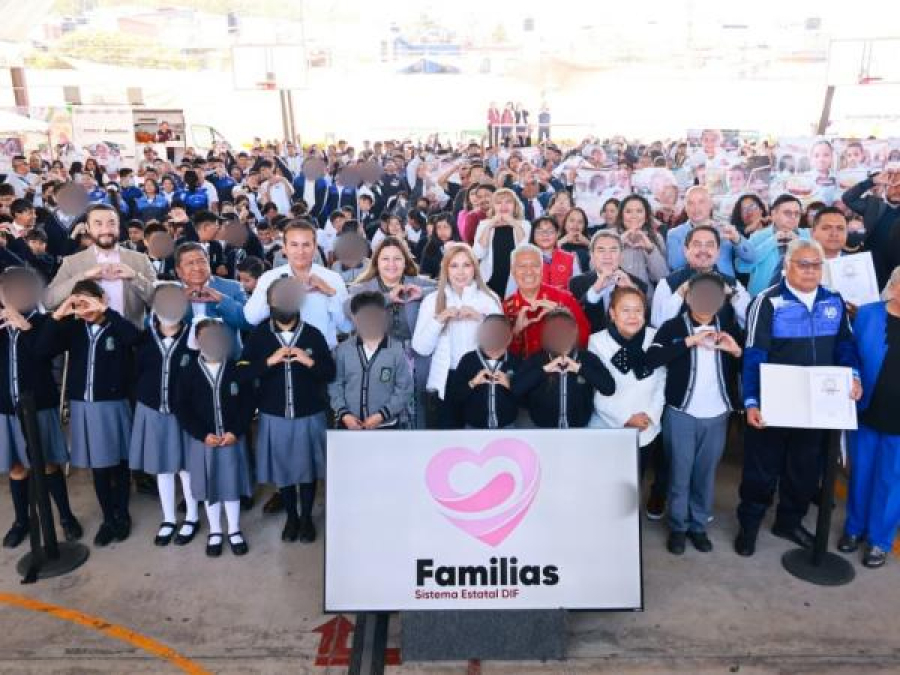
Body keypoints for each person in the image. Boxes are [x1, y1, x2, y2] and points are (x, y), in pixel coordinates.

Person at [735, 239, 862, 557]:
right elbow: (753, 354)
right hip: (773, 404)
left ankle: (788, 523)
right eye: (802, 264)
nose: (810, 271)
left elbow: (845, 346)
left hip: (818, 407)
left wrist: (854, 376)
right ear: (787, 265)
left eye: (816, 265)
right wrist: (751, 401)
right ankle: (749, 526)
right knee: (761, 472)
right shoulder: (766, 302)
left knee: (803, 471)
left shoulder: (834, 300)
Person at [37, 280, 140, 547]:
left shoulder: (115, 326)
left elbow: (136, 339)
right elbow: (42, 350)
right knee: (99, 467)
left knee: (118, 464)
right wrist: (58, 315)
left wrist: (106, 312)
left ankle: (122, 513)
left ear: (102, 298)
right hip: (83, 406)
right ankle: (108, 518)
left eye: (89, 301)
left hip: (114, 404)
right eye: (78, 302)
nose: (84, 308)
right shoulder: (73, 329)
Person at [646, 273, 744, 555]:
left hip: (717, 414)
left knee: (705, 473)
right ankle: (678, 527)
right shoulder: (672, 326)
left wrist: (736, 351)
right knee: (679, 472)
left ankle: (698, 525)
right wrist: (688, 341)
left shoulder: (729, 327)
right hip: (681, 414)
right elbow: (652, 359)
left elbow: (746, 362)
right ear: (688, 297)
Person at [242, 278, 335, 544]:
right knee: (283, 471)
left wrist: (309, 361)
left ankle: (306, 518)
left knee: (306, 471)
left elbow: (329, 372)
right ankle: (291, 517)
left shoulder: (313, 334)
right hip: (274, 414)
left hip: (309, 413)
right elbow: (243, 371)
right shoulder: (259, 335)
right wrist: (268, 362)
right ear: (270, 301)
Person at [0, 268, 81, 548]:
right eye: (10, 290)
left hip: (39, 408)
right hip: (6, 410)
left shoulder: (47, 323)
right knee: (17, 467)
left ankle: (66, 517)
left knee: (47, 464)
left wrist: (24, 327)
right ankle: (21, 521)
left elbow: (43, 352)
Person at [838, 267, 900, 568]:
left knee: (891, 481)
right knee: (860, 472)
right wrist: (854, 377)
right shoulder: (868, 314)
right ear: (893, 286)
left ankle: (879, 541)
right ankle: (854, 528)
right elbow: (852, 354)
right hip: (866, 409)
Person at [175, 318, 253, 557]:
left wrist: (235, 431)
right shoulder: (188, 372)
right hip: (204, 442)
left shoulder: (237, 369)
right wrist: (202, 434)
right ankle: (216, 531)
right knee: (211, 489)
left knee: (231, 486)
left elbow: (248, 405)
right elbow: (182, 408)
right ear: (197, 342)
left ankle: (235, 530)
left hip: (231, 440)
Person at [128, 282, 198, 547]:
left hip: (185, 413)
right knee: (163, 469)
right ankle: (169, 518)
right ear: (154, 308)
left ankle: (191, 515)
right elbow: (135, 373)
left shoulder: (194, 337)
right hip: (152, 410)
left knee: (186, 468)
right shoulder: (143, 338)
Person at [588, 286, 668, 519]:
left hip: (646, 425)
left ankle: (627, 521)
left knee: (635, 478)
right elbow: (597, 389)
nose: (633, 316)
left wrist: (651, 416)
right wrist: (625, 418)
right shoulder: (597, 342)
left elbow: (662, 380)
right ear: (612, 313)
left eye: (638, 310)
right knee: (609, 479)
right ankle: (606, 519)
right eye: (625, 310)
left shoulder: (655, 338)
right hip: (610, 424)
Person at [411, 244, 501, 428]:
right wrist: (440, 319)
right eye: (454, 265)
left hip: (482, 377)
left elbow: (501, 343)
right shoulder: (432, 300)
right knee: (448, 442)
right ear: (446, 269)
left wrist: (480, 318)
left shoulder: (489, 298)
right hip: (446, 381)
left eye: (466, 265)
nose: (461, 272)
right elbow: (420, 348)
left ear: (474, 268)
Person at [349, 237, 435, 428]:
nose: (391, 264)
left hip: (414, 359)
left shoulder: (418, 283)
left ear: (405, 262)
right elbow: (349, 307)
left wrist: (422, 293)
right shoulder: (363, 287)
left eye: (397, 259)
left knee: (416, 411)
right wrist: (387, 297)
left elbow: (444, 290)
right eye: (385, 259)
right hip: (378, 360)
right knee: (382, 411)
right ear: (376, 262)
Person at [45, 204, 157, 327]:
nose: (106, 230)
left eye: (111, 223)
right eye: (98, 224)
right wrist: (84, 275)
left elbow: (158, 303)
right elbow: (49, 301)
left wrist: (135, 277)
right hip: (87, 341)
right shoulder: (72, 262)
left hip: (131, 340)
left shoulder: (140, 260)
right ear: (87, 228)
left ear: (118, 226)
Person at [245, 220, 351, 348]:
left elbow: (346, 326)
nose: (300, 251)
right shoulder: (269, 278)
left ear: (315, 246)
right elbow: (251, 318)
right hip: (281, 355)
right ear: (284, 248)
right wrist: (276, 292)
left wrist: (330, 293)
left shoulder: (332, 278)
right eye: (294, 245)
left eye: (306, 245)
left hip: (323, 354)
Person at [513, 309, 615, 428]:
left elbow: (609, 388)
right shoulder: (536, 360)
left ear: (574, 331)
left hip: (579, 430)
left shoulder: (588, 358)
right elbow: (516, 390)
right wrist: (544, 370)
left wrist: (579, 369)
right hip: (541, 430)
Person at [331, 290, 414, 429]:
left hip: (386, 425)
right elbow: (335, 385)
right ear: (354, 318)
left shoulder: (396, 350)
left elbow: (404, 389)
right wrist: (344, 414)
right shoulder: (343, 350)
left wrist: (381, 415)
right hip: (349, 425)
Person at [651, 225, 752, 330]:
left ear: (718, 252)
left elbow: (750, 320)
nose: (703, 250)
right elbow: (657, 323)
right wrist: (680, 293)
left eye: (709, 245)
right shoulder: (668, 283)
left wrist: (731, 294)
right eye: (697, 244)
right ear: (685, 250)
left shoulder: (733, 284)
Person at [503, 244, 591, 359]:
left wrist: (561, 316)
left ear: (542, 269)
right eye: (522, 266)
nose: (529, 271)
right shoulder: (506, 307)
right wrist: (516, 331)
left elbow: (585, 339)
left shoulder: (563, 299)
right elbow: (501, 355)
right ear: (513, 271)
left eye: (535, 265)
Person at [174, 242, 250, 356]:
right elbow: (152, 325)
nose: (197, 268)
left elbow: (247, 322)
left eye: (201, 261)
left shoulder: (233, 287)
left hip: (227, 361)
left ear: (208, 261)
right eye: (190, 263)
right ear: (179, 271)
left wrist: (221, 299)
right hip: (183, 363)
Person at [445, 314, 519, 429]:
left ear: (509, 337)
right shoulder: (468, 360)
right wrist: (473, 383)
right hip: (473, 428)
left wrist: (511, 386)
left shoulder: (515, 361)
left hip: (507, 428)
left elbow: (526, 400)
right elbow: (454, 397)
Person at [665, 186, 755, 278]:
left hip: (726, 287)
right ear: (685, 208)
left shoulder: (725, 229)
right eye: (690, 203)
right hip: (691, 287)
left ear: (710, 204)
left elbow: (750, 257)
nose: (696, 208)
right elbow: (675, 266)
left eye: (701, 202)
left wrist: (737, 240)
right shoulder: (674, 234)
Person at [569, 231, 648, 334]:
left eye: (613, 250)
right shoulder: (576, 283)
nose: (607, 256)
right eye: (601, 250)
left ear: (621, 255)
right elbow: (574, 319)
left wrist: (631, 292)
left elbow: (645, 321)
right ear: (592, 256)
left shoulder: (637, 284)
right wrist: (595, 291)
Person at [736, 195, 810, 296]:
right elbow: (742, 267)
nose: (793, 217)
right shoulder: (758, 237)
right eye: (787, 213)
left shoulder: (808, 235)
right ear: (774, 214)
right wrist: (771, 242)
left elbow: (821, 264)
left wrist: (799, 244)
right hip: (764, 299)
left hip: (800, 297)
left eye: (797, 214)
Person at [841, 167, 900, 288]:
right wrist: (873, 181)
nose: (898, 190)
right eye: (895, 186)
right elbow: (848, 198)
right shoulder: (873, 204)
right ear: (885, 187)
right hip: (872, 263)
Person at [473, 187, 531, 298]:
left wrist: (513, 223)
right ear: (494, 207)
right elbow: (478, 254)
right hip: (488, 281)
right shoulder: (484, 224)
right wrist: (489, 226)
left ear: (515, 206)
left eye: (508, 202)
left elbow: (524, 250)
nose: (503, 206)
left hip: (515, 282)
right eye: (498, 203)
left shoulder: (524, 225)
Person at [615, 194, 669, 294]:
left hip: (645, 300)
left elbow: (663, 277)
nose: (634, 216)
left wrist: (650, 249)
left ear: (646, 216)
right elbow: (594, 268)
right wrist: (617, 244)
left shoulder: (656, 238)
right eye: (628, 211)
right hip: (614, 298)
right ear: (621, 216)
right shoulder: (610, 236)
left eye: (639, 211)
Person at [530, 216, 580, 290]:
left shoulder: (570, 259)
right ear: (533, 235)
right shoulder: (524, 258)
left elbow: (577, 288)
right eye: (540, 231)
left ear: (557, 234)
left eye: (550, 231)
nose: (545, 235)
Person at [419, 212, 461, 279]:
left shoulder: (461, 247)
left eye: (446, 227)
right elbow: (424, 273)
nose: (442, 231)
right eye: (438, 227)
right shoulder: (430, 247)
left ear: (453, 228)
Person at [558, 207, 592, 272]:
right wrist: (563, 240)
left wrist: (588, 243)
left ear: (584, 226)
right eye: (572, 220)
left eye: (580, 222)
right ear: (565, 223)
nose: (575, 225)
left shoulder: (590, 243)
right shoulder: (555, 241)